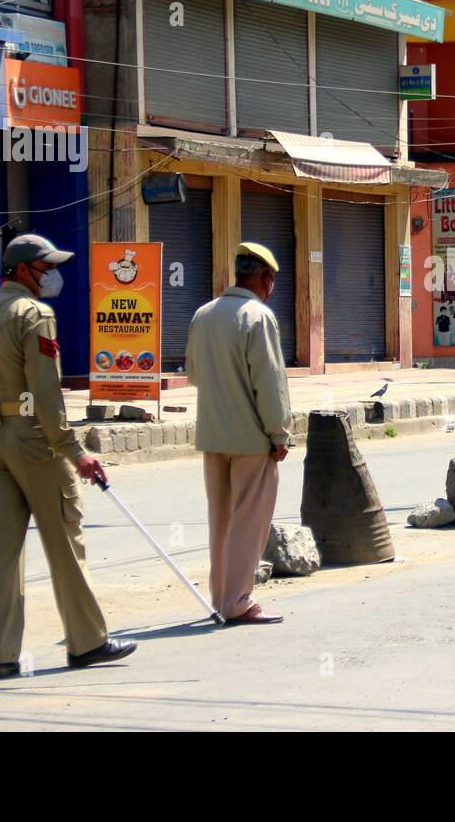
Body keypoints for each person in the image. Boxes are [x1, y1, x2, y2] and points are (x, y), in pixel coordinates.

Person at [0, 234, 136, 678]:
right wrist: (75, 452)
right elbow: (47, 393)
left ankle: (1, 655)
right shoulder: (34, 315)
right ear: (22, 270)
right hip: (34, 441)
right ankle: (87, 642)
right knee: (65, 541)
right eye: (45, 268)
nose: (51, 276)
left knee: (2, 550)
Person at [185, 242, 293, 625]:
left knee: (221, 521)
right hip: (251, 440)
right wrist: (279, 434)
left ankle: (221, 599)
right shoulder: (258, 317)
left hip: (213, 437)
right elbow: (270, 382)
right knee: (249, 522)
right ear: (266, 279)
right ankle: (238, 601)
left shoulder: (203, 315)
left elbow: (194, 374)